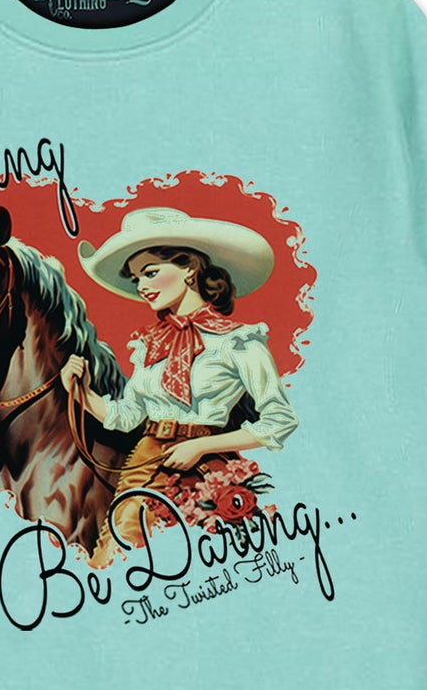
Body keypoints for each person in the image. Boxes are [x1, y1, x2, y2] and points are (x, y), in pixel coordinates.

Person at [62, 205, 299, 550]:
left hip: (207, 469)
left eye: (150, 272)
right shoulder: (149, 346)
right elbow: (128, 417)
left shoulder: (237, 341)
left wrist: (200, 446)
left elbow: (281, 420)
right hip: (145, 463)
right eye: (136, 278)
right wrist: (82, 392)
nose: (142, 286)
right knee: (118, 548)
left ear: (189, 268)